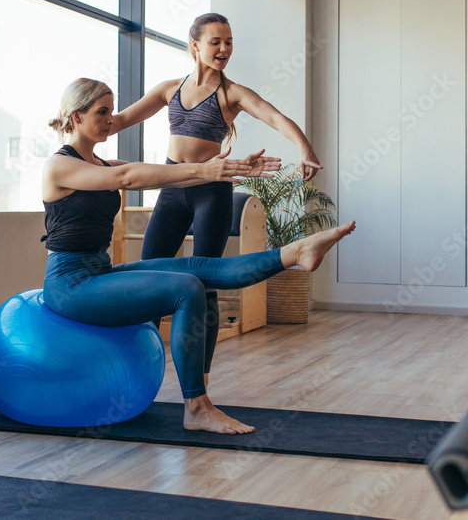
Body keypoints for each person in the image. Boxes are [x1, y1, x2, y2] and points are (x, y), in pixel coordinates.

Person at [43, 78, 355, 434]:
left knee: (199, 268)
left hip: (99, 272)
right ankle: (196, 408)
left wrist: (231, 170)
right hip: (70, 285)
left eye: (112, 111)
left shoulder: (101, 163)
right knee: (186, 288)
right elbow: (129, 177)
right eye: (102, 112)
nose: (111, 119)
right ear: (76, 116)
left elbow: (169, 179)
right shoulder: (59, 167)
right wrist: (205, 169)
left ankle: (295, 253)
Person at [108, 13, 322, 390]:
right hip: (173, 189)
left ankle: (198, 385)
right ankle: (132, 372)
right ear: (195, 45)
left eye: (228, 42)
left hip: (212, 193)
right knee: (146, 278)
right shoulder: (168, 89)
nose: (223, 49)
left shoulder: (232, 93)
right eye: (215, 42)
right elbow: (121, 120)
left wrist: (304, 148)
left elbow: (275, 117)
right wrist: (74, 123)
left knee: (202, 282)